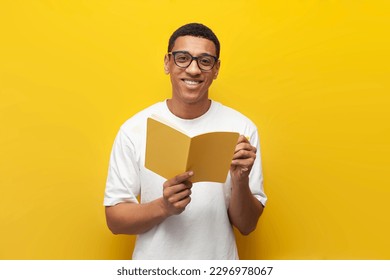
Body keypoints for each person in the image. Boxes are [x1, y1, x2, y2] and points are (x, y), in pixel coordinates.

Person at [104, 23, 267, 259]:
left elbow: (247, 225)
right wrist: (164, 207)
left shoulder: (242, 129)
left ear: (216, 68)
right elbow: (115, 221)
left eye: (205, 60)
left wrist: (240, 179)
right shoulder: (134, 129)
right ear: (167, 63)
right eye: (182, 58)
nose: (193, 70)